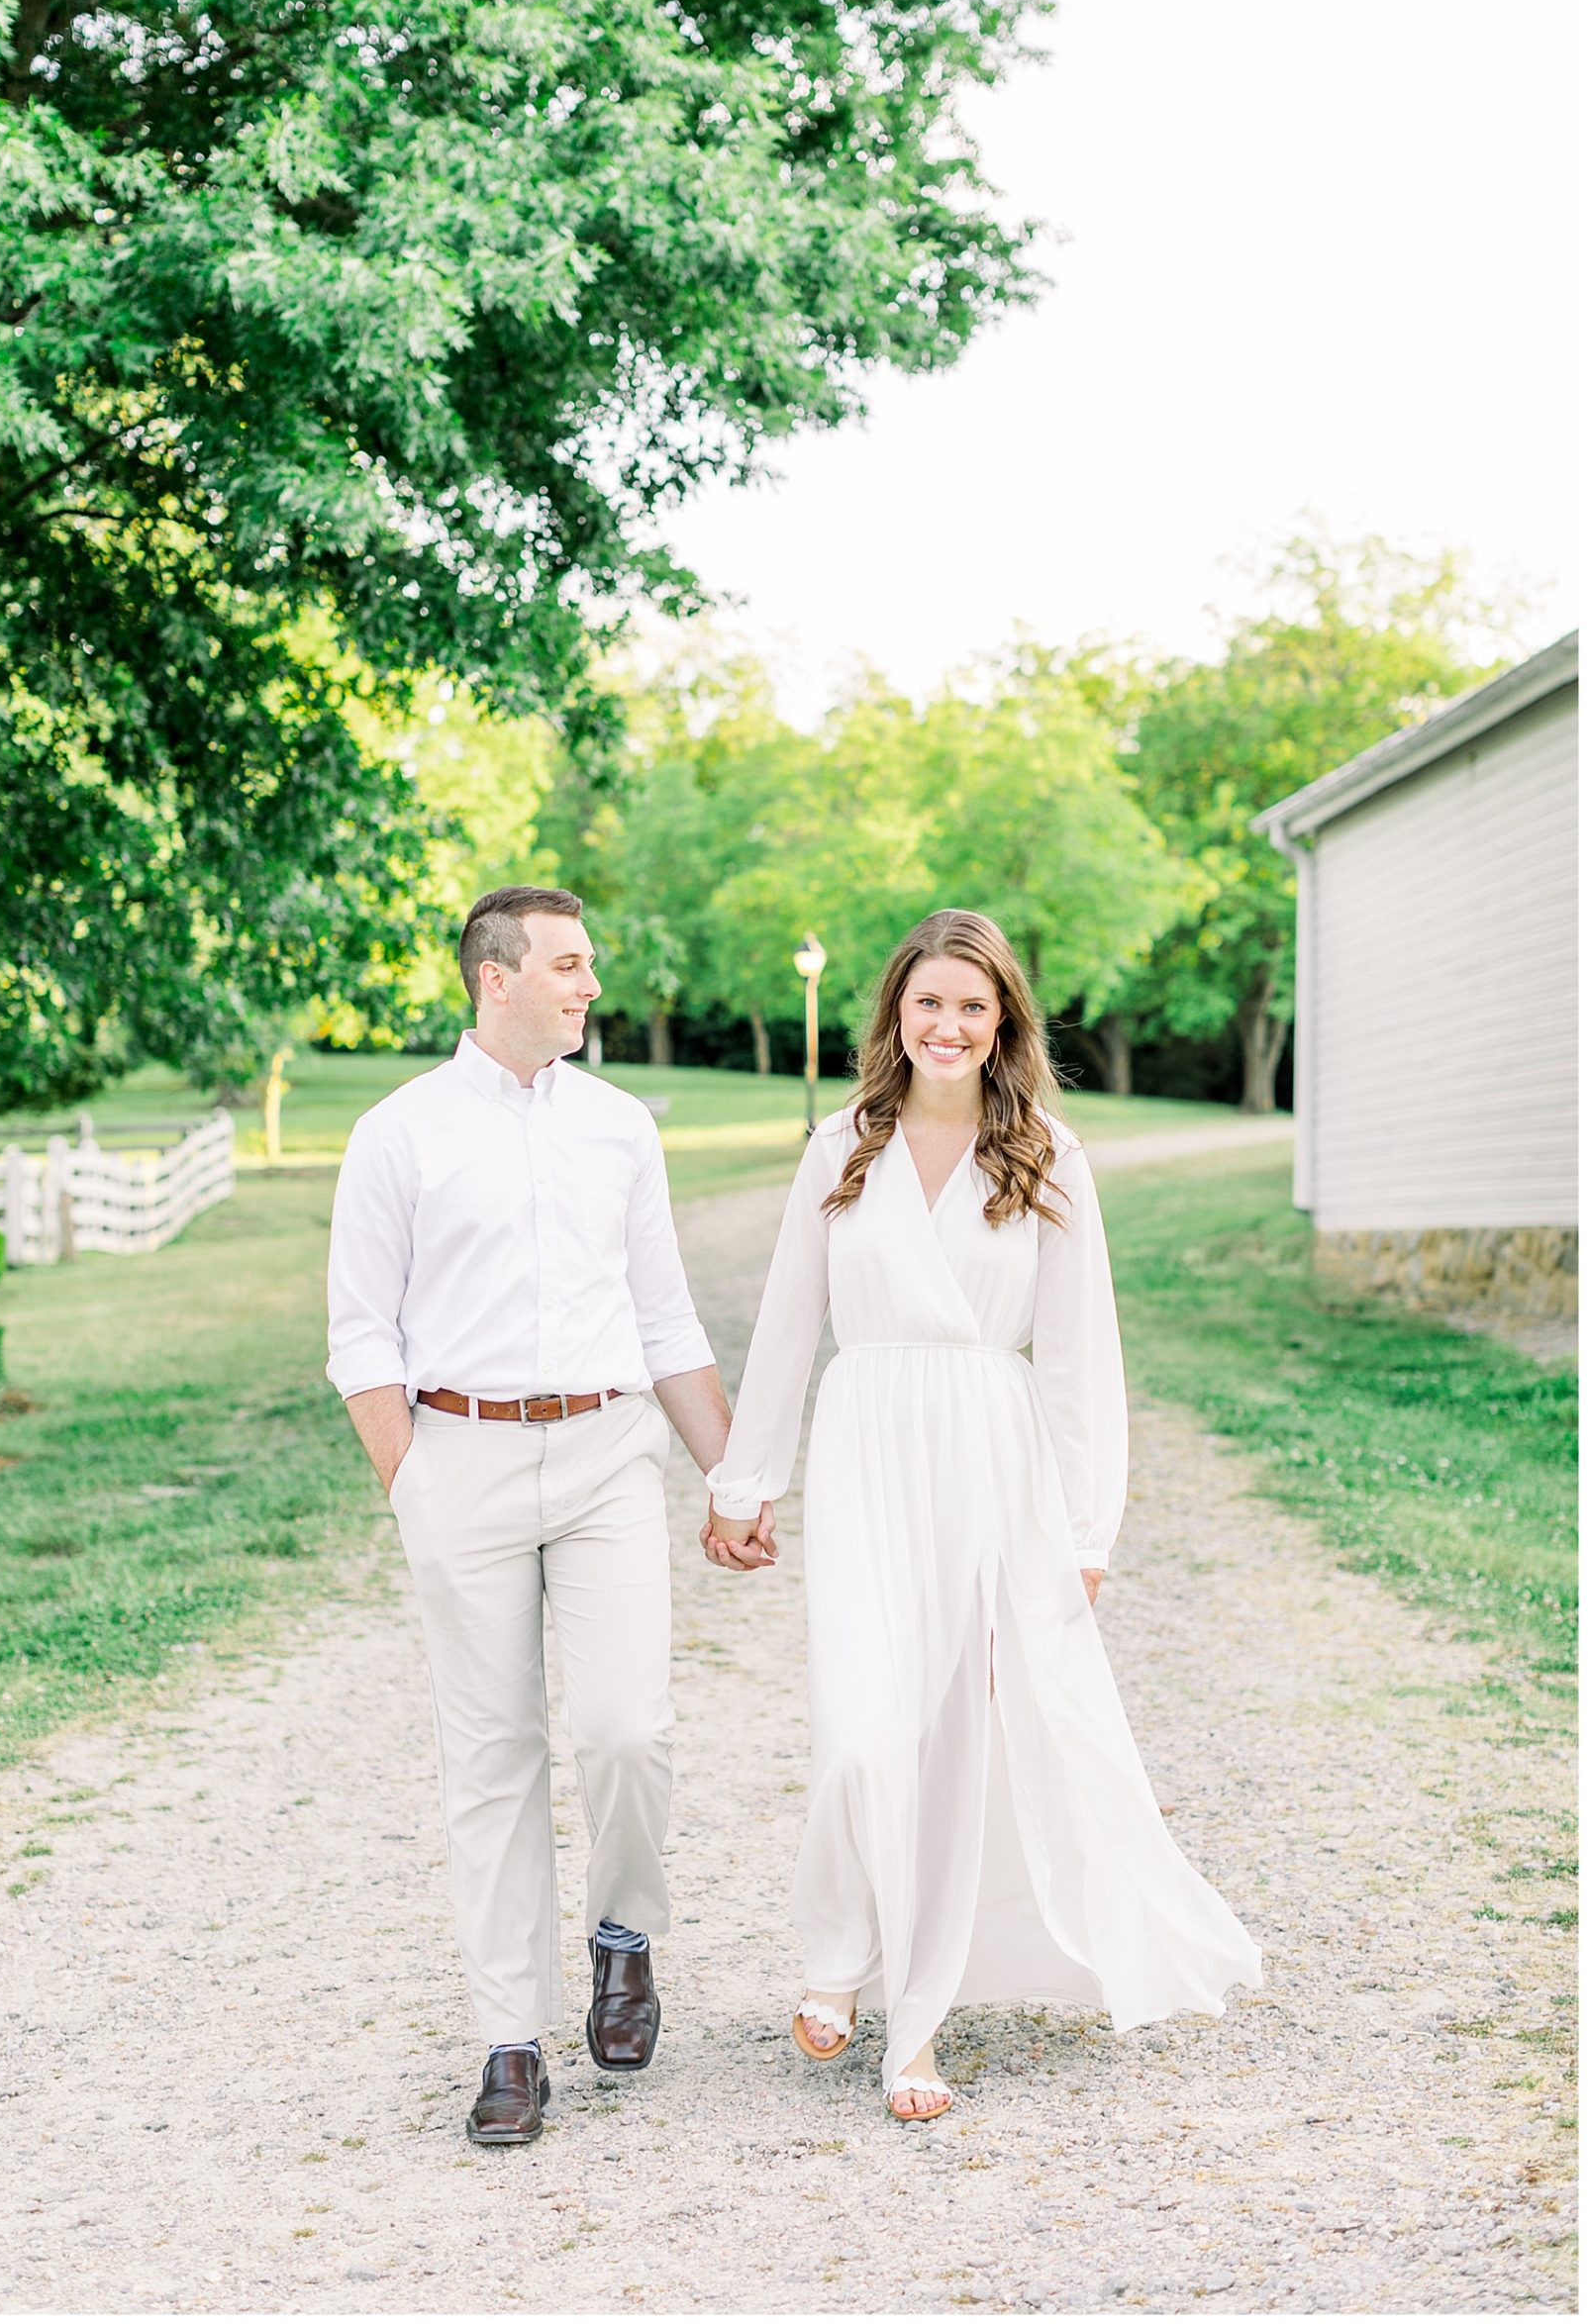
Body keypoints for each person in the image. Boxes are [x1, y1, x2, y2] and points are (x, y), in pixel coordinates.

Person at [700, 908, 1262, 2120]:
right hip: (869, 1451)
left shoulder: (1046, 1152)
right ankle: (837, 1954)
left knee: (956, 1751)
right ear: (894, 1016)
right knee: (861, 1733)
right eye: (927, 1003)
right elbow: (790, 1324)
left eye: (972, 1004)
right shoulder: (843, 1145)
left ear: (1001, 1017)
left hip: (994, 1468)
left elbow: (1075, 1356)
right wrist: (744, 1484)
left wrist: (1082, 1533)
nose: (947, 1025)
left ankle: (913, 2025)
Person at [326, 886, 752, 2146]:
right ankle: (510, 2038)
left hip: (611, 1448)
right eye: (569, 965)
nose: (590, 985)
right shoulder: (396, 1135)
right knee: (492, 1754)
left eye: (590, 963)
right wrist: (414, 1483)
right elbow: (361, 1337)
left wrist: (728, 1478)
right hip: (459, 1455)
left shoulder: (621, 1128)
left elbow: (669, 1318)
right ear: (494, 976)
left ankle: (626, 1934)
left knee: (627, 1727)